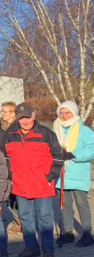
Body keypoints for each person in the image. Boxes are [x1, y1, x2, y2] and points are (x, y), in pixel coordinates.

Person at [2, 102, 67, 257]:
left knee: (45, 219)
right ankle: (31, 247)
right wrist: (11, 175)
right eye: (21, 118)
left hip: (42, 185)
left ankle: (48, 250)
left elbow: (58, 157)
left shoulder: (46, 133)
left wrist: (49, 176)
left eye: (28, 117)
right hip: (20, 185)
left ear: (34, 116)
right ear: (17, 119)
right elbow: (5, 157)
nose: (25, 121)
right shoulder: (10, 134)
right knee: (25, 218)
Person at [53, 101, 94, 247]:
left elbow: (91, 150)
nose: (63, 116)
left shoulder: (85, 131)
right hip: (61, 174)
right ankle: (68, 232)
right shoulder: (55, 129)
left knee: (82, 203)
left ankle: (87, 234)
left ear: (74, 113)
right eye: (61, 113)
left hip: (78, 174)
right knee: (64, 205)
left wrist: (73, 155)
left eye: (67, 112)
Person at [0, 101, 20, 233]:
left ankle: (22, 222)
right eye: (2, 111)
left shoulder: (18, 126)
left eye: (5, 112)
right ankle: (16, 221)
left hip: (15, 165)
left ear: (13, 113)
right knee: (7, 195)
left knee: (18, 195)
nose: (2, 114)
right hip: (1, 164)